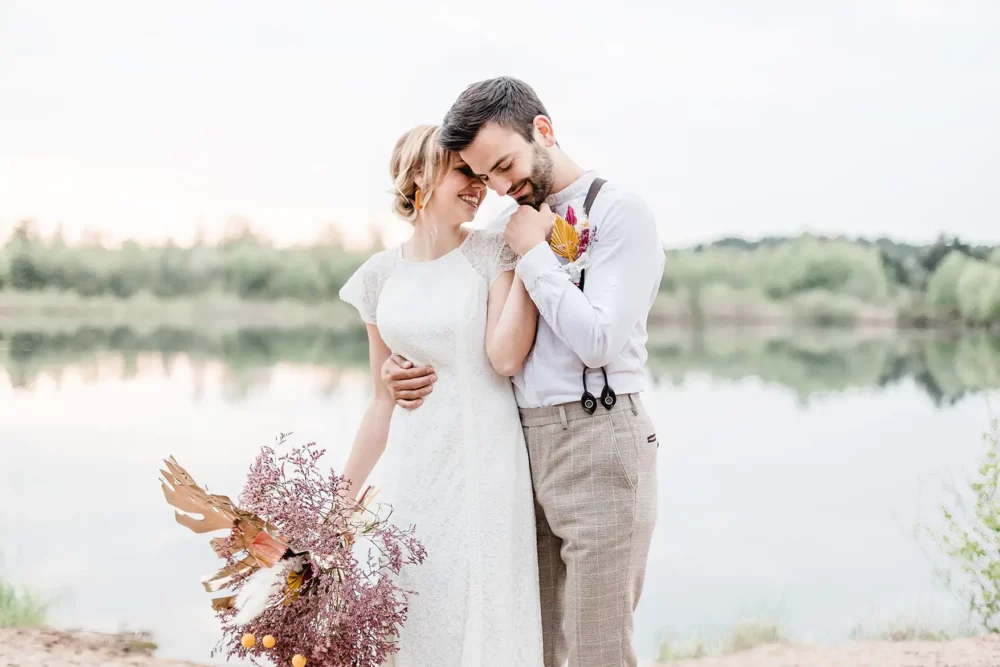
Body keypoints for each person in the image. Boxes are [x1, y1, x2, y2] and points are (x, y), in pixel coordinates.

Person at [382, 77, 665, 667]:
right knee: (529, 645)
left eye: (506, 166)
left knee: (597, 648)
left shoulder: (619, 213)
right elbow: (468, 326)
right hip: (516, 454)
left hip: (600, 440)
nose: (503, 188)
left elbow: (599, 341)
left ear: (543, 129)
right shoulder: (506, 231)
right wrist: (397, 365)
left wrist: (537, 254)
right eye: (487, 178)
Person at [338, 124, 545, 666]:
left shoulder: (492, 256)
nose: (478, 185)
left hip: (483, 460)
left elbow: (505, 358)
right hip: (413, 467)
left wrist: (527, 260)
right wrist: (336, 508)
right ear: (418, 176)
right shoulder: (378, 278)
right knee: (411, 600)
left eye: (482, 175)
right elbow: (381, 401)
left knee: (484, 604)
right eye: (463, 172)